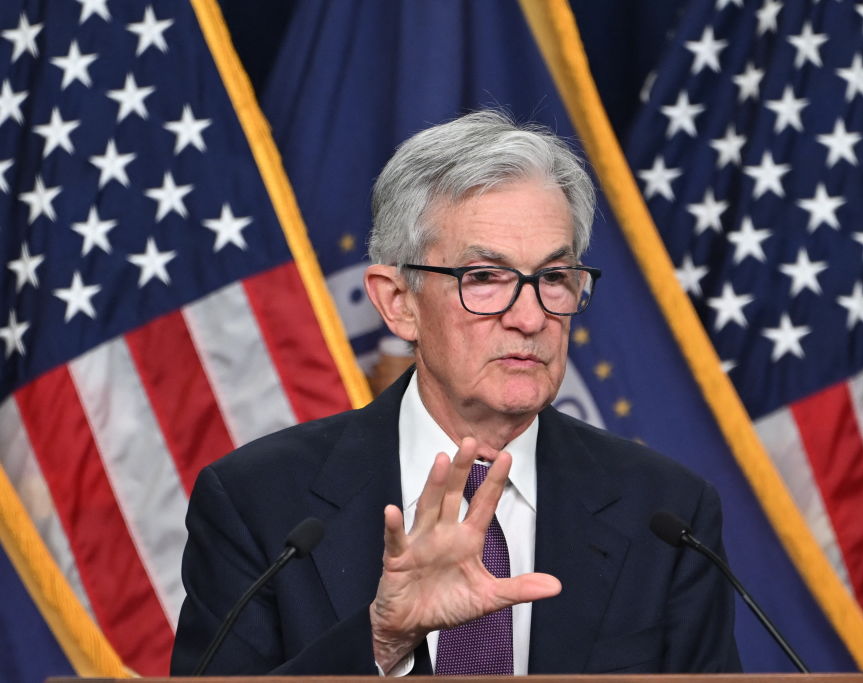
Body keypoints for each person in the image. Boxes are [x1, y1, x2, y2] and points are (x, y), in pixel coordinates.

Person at [170, 110, 741, 675]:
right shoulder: (260, 504)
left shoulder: (667, 513)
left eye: (553, 278)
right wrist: (382, 642)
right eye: (485, 278)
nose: (529, 317)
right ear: (400, 303)